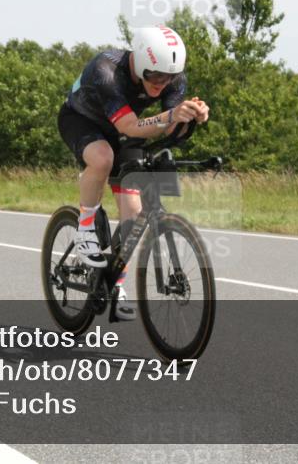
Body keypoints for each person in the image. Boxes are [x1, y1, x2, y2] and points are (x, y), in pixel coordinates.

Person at [57, 25, 209, 319]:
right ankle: (85, 228)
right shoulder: (106, 70)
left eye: (170, 77)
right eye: (155, 75)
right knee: (102, 158)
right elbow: (129, 125)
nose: (162, 83)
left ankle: (117, 285)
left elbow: (169, 123)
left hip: (124, 131)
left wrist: (195, 116)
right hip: (82, 120)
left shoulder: (169, 77)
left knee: (134, 212)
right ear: (139, 62)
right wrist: (170, 115)